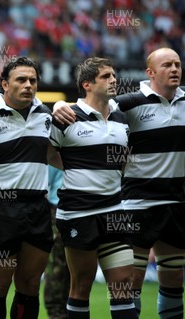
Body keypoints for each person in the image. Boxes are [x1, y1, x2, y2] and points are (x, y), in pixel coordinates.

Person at [53, 48, 185, 318]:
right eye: (167, 65)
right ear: (150, 73)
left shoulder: (123, 118)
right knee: (106, 284)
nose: (175, 69)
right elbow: (85, 112)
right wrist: (58, 105)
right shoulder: (125, 105)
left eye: (177, 64)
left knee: (162, 282)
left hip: (163, 205)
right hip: (125, 205)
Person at [50, 57, 136, 318]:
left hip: (114, 212)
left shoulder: (122, 117)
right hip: (78, 213)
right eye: (106, 76)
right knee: (81, 286)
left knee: (123, 288)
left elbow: (123, 162)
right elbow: (48, 154)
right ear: (87, 84)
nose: (114, 80)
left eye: (114, 75)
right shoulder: (66, 116)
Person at [0, 57, 61, 319]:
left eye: (32, 80)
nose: (28, 85)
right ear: (4, 84)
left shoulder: (46, 116)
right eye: (21, 80)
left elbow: (55, 156)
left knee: (30, 286)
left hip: (37, 207)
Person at [44, 165, 69, 319]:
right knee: (58, 267)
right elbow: (44, 185)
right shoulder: (57, 146)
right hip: (58, 210)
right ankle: (56, 314)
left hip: (89, 208)